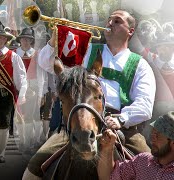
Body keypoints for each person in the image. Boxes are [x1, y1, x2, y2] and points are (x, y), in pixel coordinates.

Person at [38, 9, 155, 155]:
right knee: (35, 165)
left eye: (117, 21)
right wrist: (53, 40)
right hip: (80, 120)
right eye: (109, 20)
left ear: (130, 31)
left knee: (149, 164)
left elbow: (145, 104)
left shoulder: (141, 65)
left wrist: (122, 119)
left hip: (121, 126)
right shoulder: (87, 50)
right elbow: (46, 63)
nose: (110, 23)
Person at [0, 23, 27, 163]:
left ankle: (1, 153)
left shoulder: (13, 56)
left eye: (2, 38)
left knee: (5, 123)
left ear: (6, 39)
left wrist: (22, 94)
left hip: (6, 93)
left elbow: (20, 77)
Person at [98, 111, 174, 180]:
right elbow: (109, 177)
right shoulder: (142, 160)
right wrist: (107, 148)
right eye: (153, 133)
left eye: (158, 135)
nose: (152, 139)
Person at [15, 27, 45, 153]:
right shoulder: (15, 53)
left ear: (31, 41)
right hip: (17, 87)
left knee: (29, 116)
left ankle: (27, 143)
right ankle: (22, 140)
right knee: (19, 115)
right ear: (20, 40)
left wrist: (41, 92)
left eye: (28, 39)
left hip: (33, 87)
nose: (25, 41)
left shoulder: (36, 54)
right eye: (23, 39)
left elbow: (41, 74)